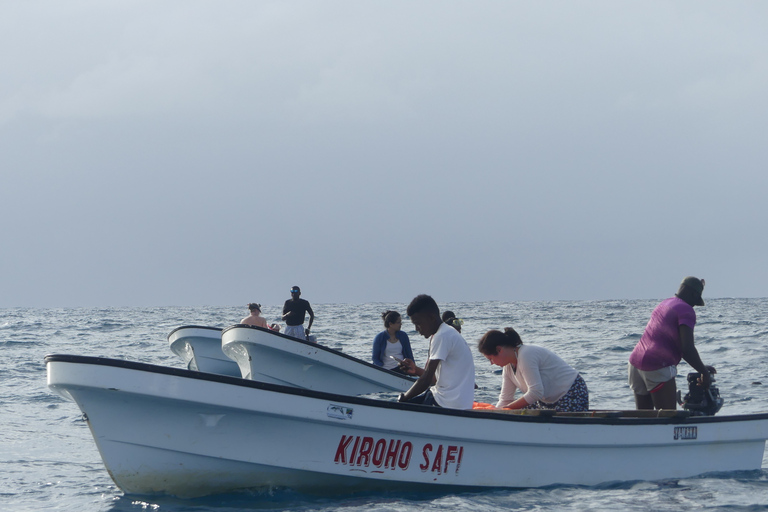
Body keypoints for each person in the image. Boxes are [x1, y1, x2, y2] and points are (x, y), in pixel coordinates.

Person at [628, 276, 714, 410]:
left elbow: (675, 345)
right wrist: (704, 373)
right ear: (693, 294)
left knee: (644, 420)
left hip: (635, 363)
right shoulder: (686, 310)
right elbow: (687, 349)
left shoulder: (665, 303)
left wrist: (701, 366)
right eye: (695, 301)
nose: (693, 306)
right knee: (668, 418)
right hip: (657, 364)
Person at [477, 327, 589, 412]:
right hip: (546, 400)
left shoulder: (526, 354)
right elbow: (506, 399)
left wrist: (506, 409)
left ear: (499, 350)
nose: (491, 363)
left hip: (572, 391)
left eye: (490, 358)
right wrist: (497, 413)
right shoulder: (508, 367)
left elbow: (536, 392)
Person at [398, 294, 475, 409]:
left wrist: (404, 397)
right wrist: (415, 370)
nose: (416, 329)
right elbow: (434, 379)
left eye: (418, 323)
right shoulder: (447, 332)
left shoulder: (442, 336)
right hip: (460, 404)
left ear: (432, 318)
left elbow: (426, 379)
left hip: (447, 403)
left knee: (400, 405)